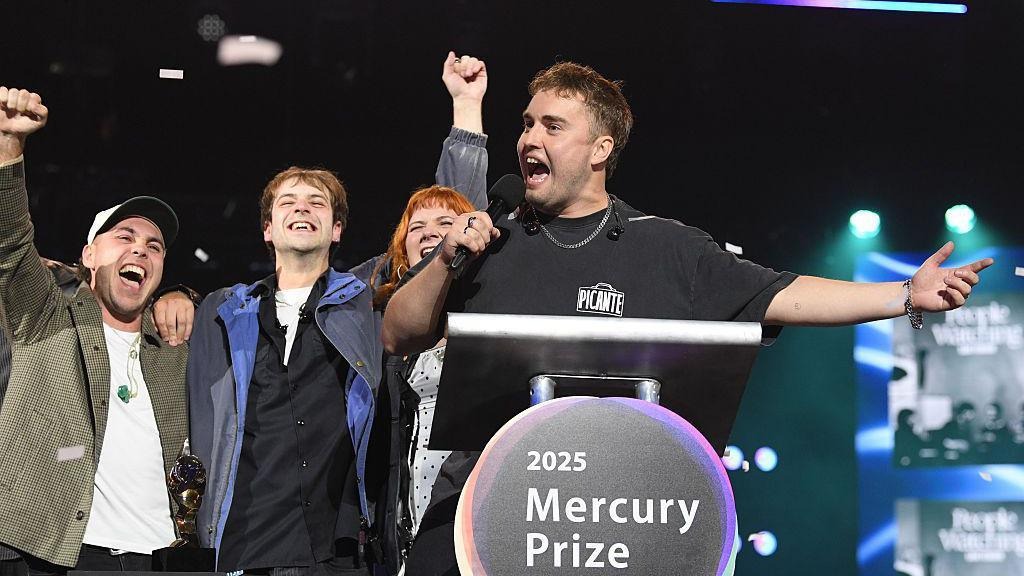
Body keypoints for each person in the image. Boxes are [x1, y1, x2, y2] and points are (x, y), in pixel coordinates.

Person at [382, 61, 994, 574]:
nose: (528, 139)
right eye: (526, 124)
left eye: (552, 125)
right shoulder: (490, 239)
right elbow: (398, 331)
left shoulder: (665, 248)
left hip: (608, 522)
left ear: (601, 149)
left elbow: (781, 293)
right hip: (478, 514)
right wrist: (445, 260)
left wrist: (904, 294)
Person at [188, 52, 488, 576]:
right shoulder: (222, 311)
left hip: (338, 552)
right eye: (288, 202)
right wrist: (172, 294)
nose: (302, 208)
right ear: (267, 228)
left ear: (336, 231)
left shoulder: (365, 299)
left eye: (317, 203)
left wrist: (465, 108)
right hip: (242, 548)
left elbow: (448, 232)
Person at [0, 87, 194, 574]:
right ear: (88, 255)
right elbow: (10, 242)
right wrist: (8, 146)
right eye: (124, 237)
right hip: (56, 552)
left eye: (154, 246)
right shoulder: (46, 315)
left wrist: (184, 294)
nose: (140, 251)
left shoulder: (173, 343)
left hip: (159, 555)